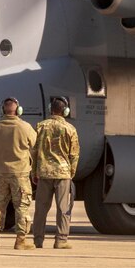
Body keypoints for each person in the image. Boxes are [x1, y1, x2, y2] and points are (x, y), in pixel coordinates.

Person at [0, 97, 37, 250]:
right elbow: (34, 144)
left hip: (0, 173)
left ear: (2, 110)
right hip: (20, 174)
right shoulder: (25, 127)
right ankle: (20, 241)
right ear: (19, 110)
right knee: (21, 207)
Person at [32, 96, 80, 249]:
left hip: (44, 172)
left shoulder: (40, 126)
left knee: (41, 209)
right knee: (63, 208)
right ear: (65, 111)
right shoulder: (70, 129)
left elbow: (34, 151)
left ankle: (38, 240)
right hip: (63, 173)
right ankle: (61, 239)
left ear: (50, 109)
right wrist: (71, 173)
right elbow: (74, 155)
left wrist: (34, 172)